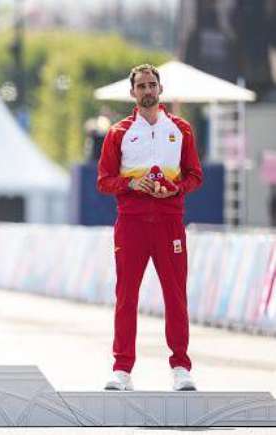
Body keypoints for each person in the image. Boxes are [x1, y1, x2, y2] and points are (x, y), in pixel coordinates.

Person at [97, 64, 203, 391]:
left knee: (176, 296)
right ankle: (122, 369)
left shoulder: (180, 129)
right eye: (141, 86)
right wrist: (132, 184)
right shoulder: (119, 132)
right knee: (126, 297)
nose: (146, 91)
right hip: (131, 225)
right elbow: (104, 181)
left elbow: (194, 176)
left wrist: (176, 189)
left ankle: (181, 367)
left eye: (151, 85)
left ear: (160, 90)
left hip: (169, 223)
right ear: (132, 93)